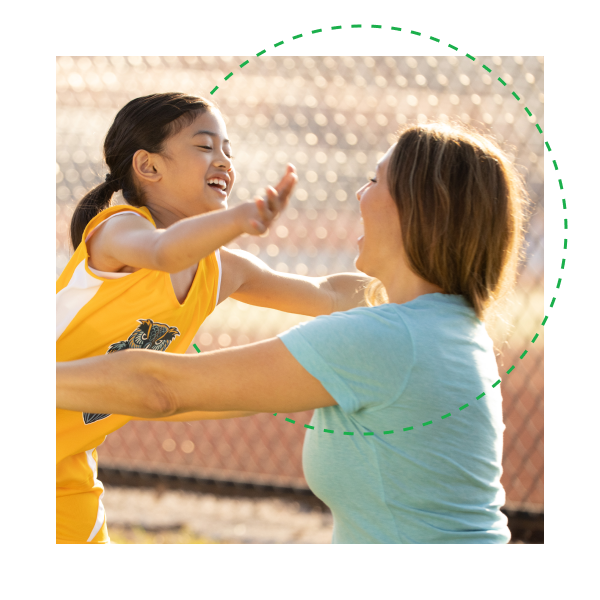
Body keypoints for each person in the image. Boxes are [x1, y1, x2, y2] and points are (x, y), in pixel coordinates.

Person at [57, 121, 531, 544]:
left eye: (373, 180)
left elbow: (161, 390)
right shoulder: (445, 325)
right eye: (205, 145)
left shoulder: (383, 339)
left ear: (420, 207)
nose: (360, 195)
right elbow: (335, 295)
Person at [56, 92, 370, 544]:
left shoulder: (222, 270)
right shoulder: (119, 228)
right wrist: (243, 219)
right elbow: (163, 252)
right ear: (148, 167)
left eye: (228, 150)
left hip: (69, 468)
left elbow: (326, 294)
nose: (223, 160)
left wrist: (418, 284)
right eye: (205, 146)